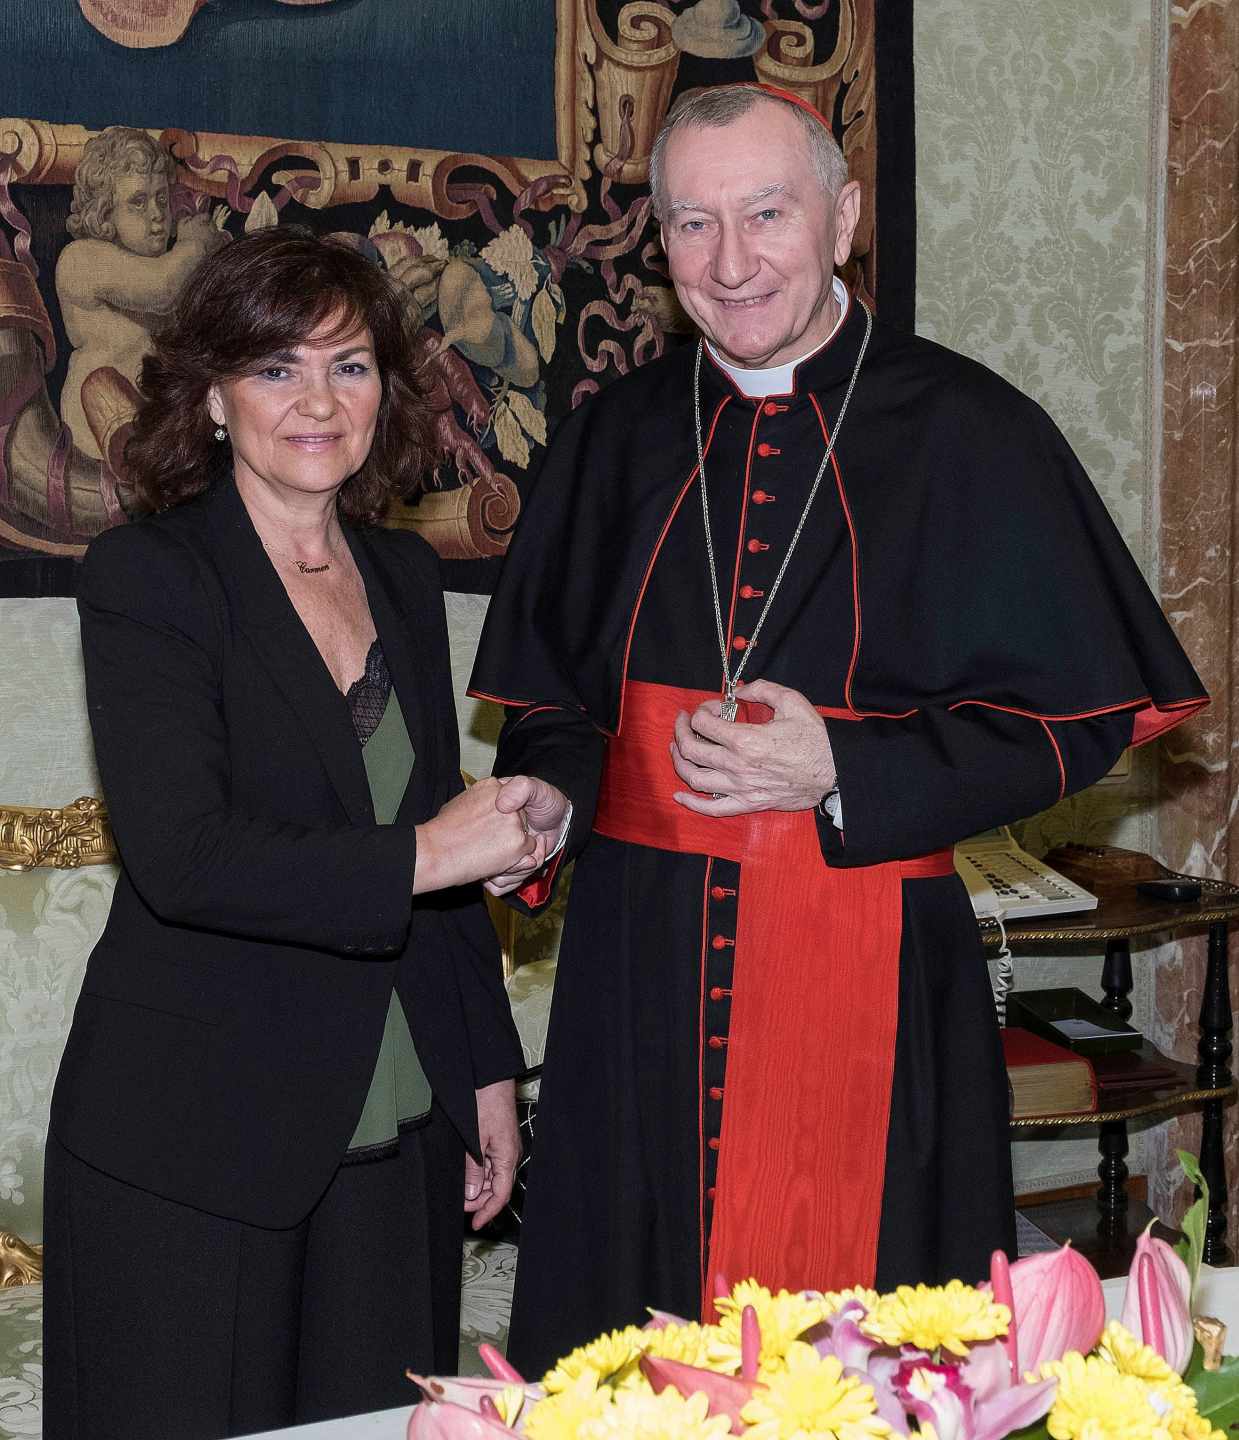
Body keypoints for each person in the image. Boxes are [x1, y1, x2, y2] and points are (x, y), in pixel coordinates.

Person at [469, 83, 1209, 1375]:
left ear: (843, 215)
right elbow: (555, 706)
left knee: (857, 1350)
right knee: (624, 1336)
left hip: (862, 955)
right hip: (633, 973)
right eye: (691, 225)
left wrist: (843, 764)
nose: (731, 260)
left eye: (765, 213)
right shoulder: (609, 442)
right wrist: (545, 793)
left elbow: (1075, 724)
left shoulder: (965, 431)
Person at [44, 229, 536, 1438]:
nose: (319, 402)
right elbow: (186, 856)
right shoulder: (149, 579)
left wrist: (489, 1071)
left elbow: (434, 844)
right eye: (277, 369)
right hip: (197, 1138)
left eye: (352, 366)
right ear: (212, 394)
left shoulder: (407, 581)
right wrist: (434, 854)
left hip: (399, 1127)